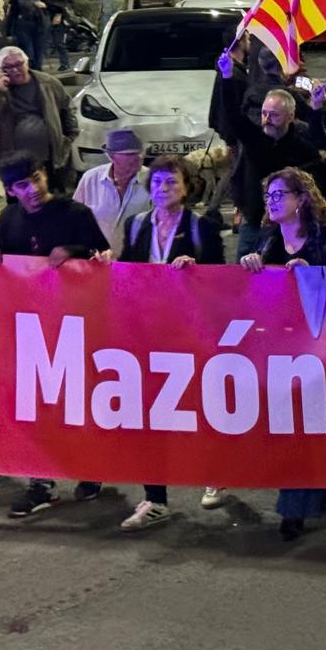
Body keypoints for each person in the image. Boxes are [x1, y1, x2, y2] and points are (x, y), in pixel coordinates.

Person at [0, 155, 110, 519]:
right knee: (34, 407)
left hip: (76, 325)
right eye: (22, 185)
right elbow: (0, 263)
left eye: (36, 179)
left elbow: (105, 260)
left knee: (79, 401)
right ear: (10, 190)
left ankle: (90, 468)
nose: (33, 189)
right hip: (29, 330)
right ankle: (41, 482)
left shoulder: (76, 214)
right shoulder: (8, 220)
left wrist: (73, 253)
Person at [117, 155, 226, 531]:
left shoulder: (201, 227)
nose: (163, 189)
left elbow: (220, 279)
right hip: (148, 332)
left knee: (200, 405)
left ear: (186, 186)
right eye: (158, 182)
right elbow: (125, 273)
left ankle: (215, 473)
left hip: (190, 331)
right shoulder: (135, 226)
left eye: (171, 182)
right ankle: (155, 498)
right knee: (151, 413)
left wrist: (194, 271)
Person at [239, 167, 326, 540]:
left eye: (279, 194)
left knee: (302, 426)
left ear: (301, 199)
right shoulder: (267, 242)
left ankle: (293, 509)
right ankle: (318, 489)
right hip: (279, 349)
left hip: (318, 348)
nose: (271, 202)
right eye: (268, 196)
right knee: (291, 427)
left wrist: (315, 273)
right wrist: (252, 266)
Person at [216, 50, 326, 256]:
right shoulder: (255, 138)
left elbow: (318, 156)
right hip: (254, 221)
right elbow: (233, 116)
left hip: (290, 226)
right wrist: (226, 77)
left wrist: (316, 108)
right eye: (264, 114)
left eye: (274, 115)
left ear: (290, 117)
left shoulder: (301, 146)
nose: (267, 119)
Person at [0, 46, 78, 191]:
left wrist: (69, 136)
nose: (15, 70)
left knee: (54, 202)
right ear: (1, 69)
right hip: (14, 162)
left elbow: (67, 107)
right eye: (8, 67)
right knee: (20, 205)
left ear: (26, 62)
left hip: (50, 160)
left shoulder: (48, 83)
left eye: (18, 64)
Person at [72, 128, 152, 254]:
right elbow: (75, 219)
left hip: (137, 261)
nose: (138, 158)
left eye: (140, 152)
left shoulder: (153, 180)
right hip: (97, 259)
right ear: (112, 156)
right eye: (129, 154)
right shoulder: (91, 179)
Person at [4, 0, 49, 76]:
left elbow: (48, 6)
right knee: (29, 53)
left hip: (38, 25)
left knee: (39, 53)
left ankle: (38, 75)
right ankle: (29, 73)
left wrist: (44, 6)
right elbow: (12, 14)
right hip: (23, 26)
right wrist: (8, 32)